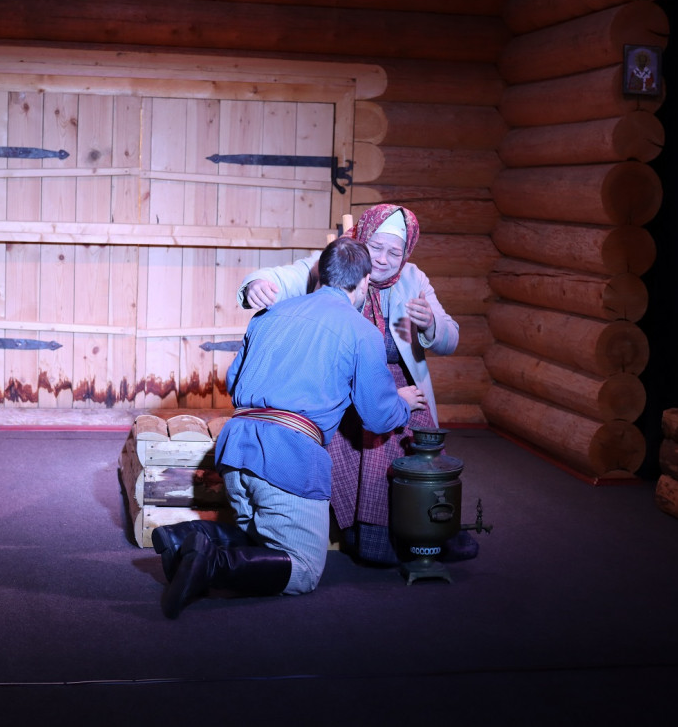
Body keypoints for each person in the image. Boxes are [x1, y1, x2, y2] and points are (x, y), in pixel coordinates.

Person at [156, 236, 426, 618]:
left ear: (321, 274)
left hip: (236, 447)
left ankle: (184, 537)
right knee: (303, 570)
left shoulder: (269, 315)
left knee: (261, 539)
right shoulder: (362, 331)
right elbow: (378, 417)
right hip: (288, 455)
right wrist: (403, 403)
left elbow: (234, 382)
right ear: (364, 281)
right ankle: (210, 565)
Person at [239, 204, 470, 566]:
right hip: (342, 384)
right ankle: (369, 536)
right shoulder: (338, 262)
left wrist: (430, 326)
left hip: (397, 383)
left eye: (395, 252)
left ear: (407, 253)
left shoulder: (414, 279)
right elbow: (283, 277)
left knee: (414, 437)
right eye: (375, 247)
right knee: (361, 432)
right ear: (362, 239)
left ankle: (430, 528)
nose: (383, 259)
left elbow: (450, 338)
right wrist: (259, 285)